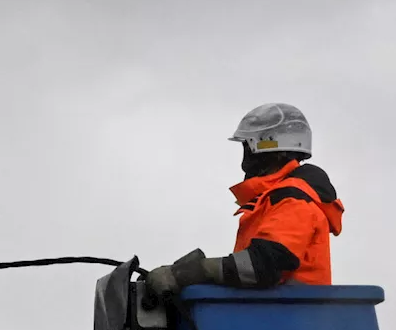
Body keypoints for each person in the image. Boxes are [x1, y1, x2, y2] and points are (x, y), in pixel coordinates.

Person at [145, 103, 344, 300]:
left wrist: (198, 271)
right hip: (275, 316)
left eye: (248, 147)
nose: (245, 158)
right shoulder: (274, 199)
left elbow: (262, 266)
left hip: (290, 321)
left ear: (272, 147)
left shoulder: (294, 199)